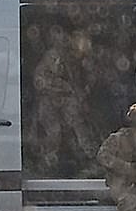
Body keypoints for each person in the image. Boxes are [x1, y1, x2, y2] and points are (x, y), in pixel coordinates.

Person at [33, 28, 96, 174]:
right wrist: (64, 87)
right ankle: (48, 166)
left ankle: (87, 160)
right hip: (51, 101)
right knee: (55, 134)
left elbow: (82, 81)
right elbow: (40, 80)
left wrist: (83, 91)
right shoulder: (54, 56)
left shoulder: (74, 59)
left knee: (80, 129)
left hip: (67, 101)